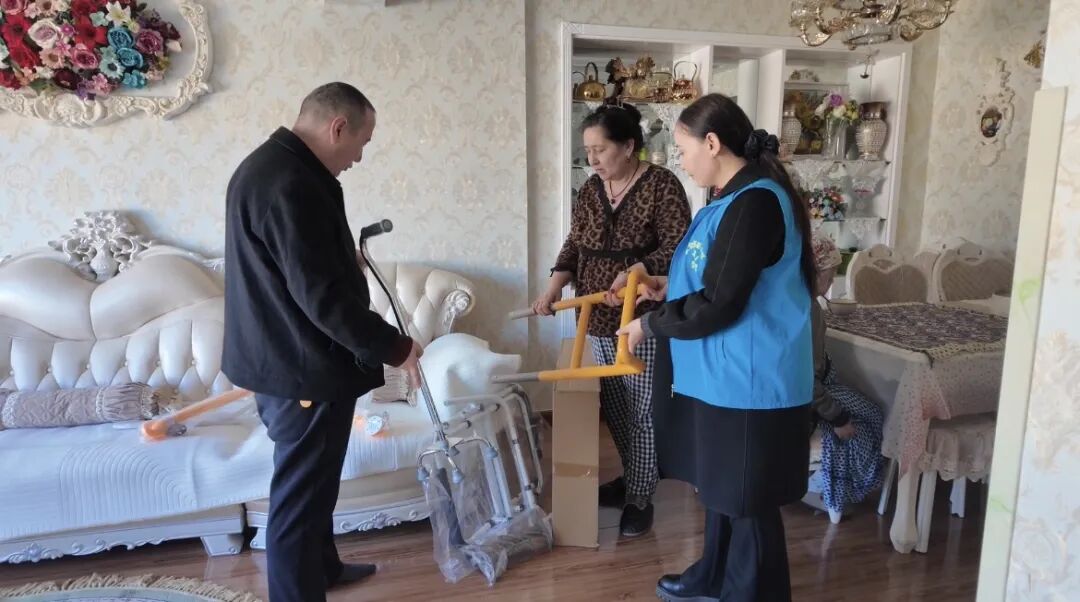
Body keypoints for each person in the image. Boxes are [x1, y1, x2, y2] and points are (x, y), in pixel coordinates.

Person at [223, 82, 423, 602]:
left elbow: (291, 266)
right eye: (362, 142)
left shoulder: (276, 167)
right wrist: (397, 347)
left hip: (288, 359)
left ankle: (324, 569)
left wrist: (339, 257)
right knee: (300, 496)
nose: (359, 157)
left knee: (318, 481)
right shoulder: (290, 182)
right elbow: (323, 300)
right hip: (298, 368)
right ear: (338, 128)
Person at [619, 93, 816, 601]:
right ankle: (714, 576)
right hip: (723, 376)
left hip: (751, 380)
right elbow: (721, 277)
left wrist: (649, 325)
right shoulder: (731, 199)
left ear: (712, 143)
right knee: (725, 489)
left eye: (684, 150)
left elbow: (723, 302)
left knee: (749, 502)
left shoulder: (756, 203)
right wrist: (668, 286)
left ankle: (749, 593)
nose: (682, 162)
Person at [534, 103, 691, 537]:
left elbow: (679, 250)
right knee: (617, 407)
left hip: (642, 315)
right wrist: (553, 287)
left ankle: (640, 497)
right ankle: (634, 477)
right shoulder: (591, 189)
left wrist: (637, 269)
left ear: (628, 146)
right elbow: (574, 244)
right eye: (587, 150)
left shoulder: (661, 185)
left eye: (600, 149)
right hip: (595, 314)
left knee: (642, 410)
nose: (592, 159)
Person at [805, 232, 886, 523]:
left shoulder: (799, 303)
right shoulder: (808, 310)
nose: (831, 284)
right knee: (873, 416)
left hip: (808, 394)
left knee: (871, 411)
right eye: (829, 276)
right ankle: (829, 486)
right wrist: (837, 418)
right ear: (815, 273)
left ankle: (833, 483)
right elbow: (807, 379)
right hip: (808, 401)